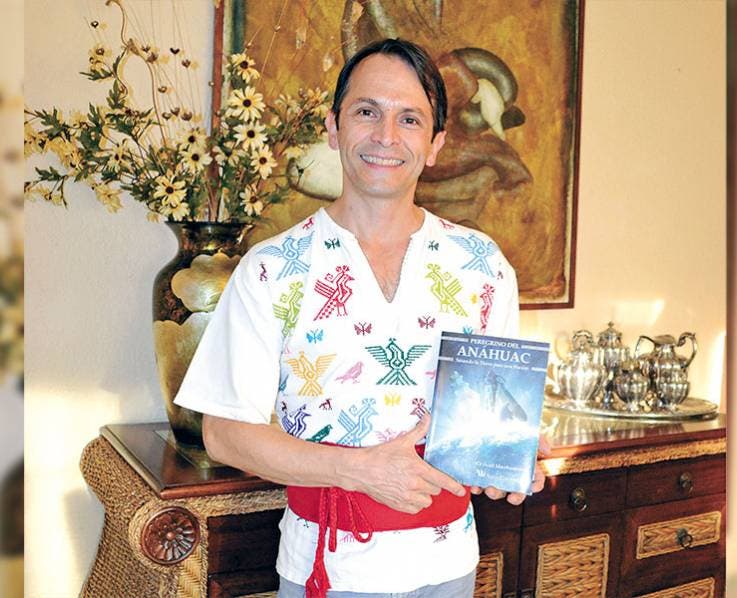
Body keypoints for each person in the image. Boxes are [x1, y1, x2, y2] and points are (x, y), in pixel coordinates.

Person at [174, 38, 548, 598]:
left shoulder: (482, 266)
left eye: (410, 119)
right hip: (327, 568)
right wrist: (358, 470)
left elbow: (488, 417)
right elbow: (224, 434)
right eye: (367, 112)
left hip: (448, 567)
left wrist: (511, 454)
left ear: (435, 144)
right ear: (334, 127)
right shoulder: (272, 269)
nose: (386, 136)